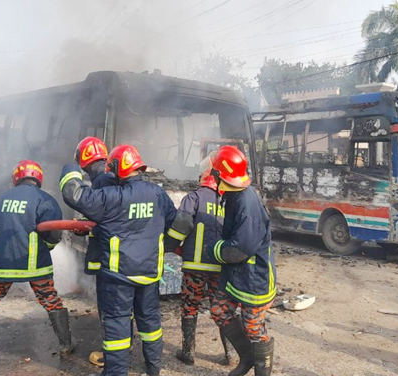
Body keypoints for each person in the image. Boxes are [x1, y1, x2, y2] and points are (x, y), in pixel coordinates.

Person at [59, 144, 177, 376]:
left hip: (118, 277)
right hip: (149, 273)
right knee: (150, 323)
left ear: (115, 169)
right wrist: (163, 246)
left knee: (118, 325)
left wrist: (72, 167)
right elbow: (175, 221)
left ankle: (116, 373)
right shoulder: (158, 194)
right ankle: (154, 369)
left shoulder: (111, 197)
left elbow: (74, 194)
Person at [0, 160, 73, 361]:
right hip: (34, 265)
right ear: (38, 178)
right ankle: (66, 345)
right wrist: (48, 248)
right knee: (50, 300)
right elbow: (54, 235)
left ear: (16, 178)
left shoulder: (3, 198)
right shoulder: (45, 199)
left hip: (0, 265)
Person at [209, 145, 277, 376]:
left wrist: (215, 249)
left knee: (253, 327)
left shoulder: (246, 202)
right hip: (237, 274)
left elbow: (240, 249)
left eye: (215, 172)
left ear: (221, 175)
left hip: (254, 277)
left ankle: (262, 370)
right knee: (219, 309)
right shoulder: (233, 195)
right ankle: (247, 357)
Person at [164, 152, 232, 366]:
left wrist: (169, 247)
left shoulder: (193, 198)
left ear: (203, 179)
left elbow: (180, 227)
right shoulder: (226, 202)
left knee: (190, 306)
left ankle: (188, 352)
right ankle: (231, 354)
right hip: (220, 267)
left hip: (194, 267)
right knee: (222, 309)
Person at [73, 136, 116, 368]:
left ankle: (111, 355)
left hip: (107, 256)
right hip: (119, 255)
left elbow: (103, 218)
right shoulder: (110, 178)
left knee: (109, 308)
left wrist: (89, 226)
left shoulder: (100, 182)